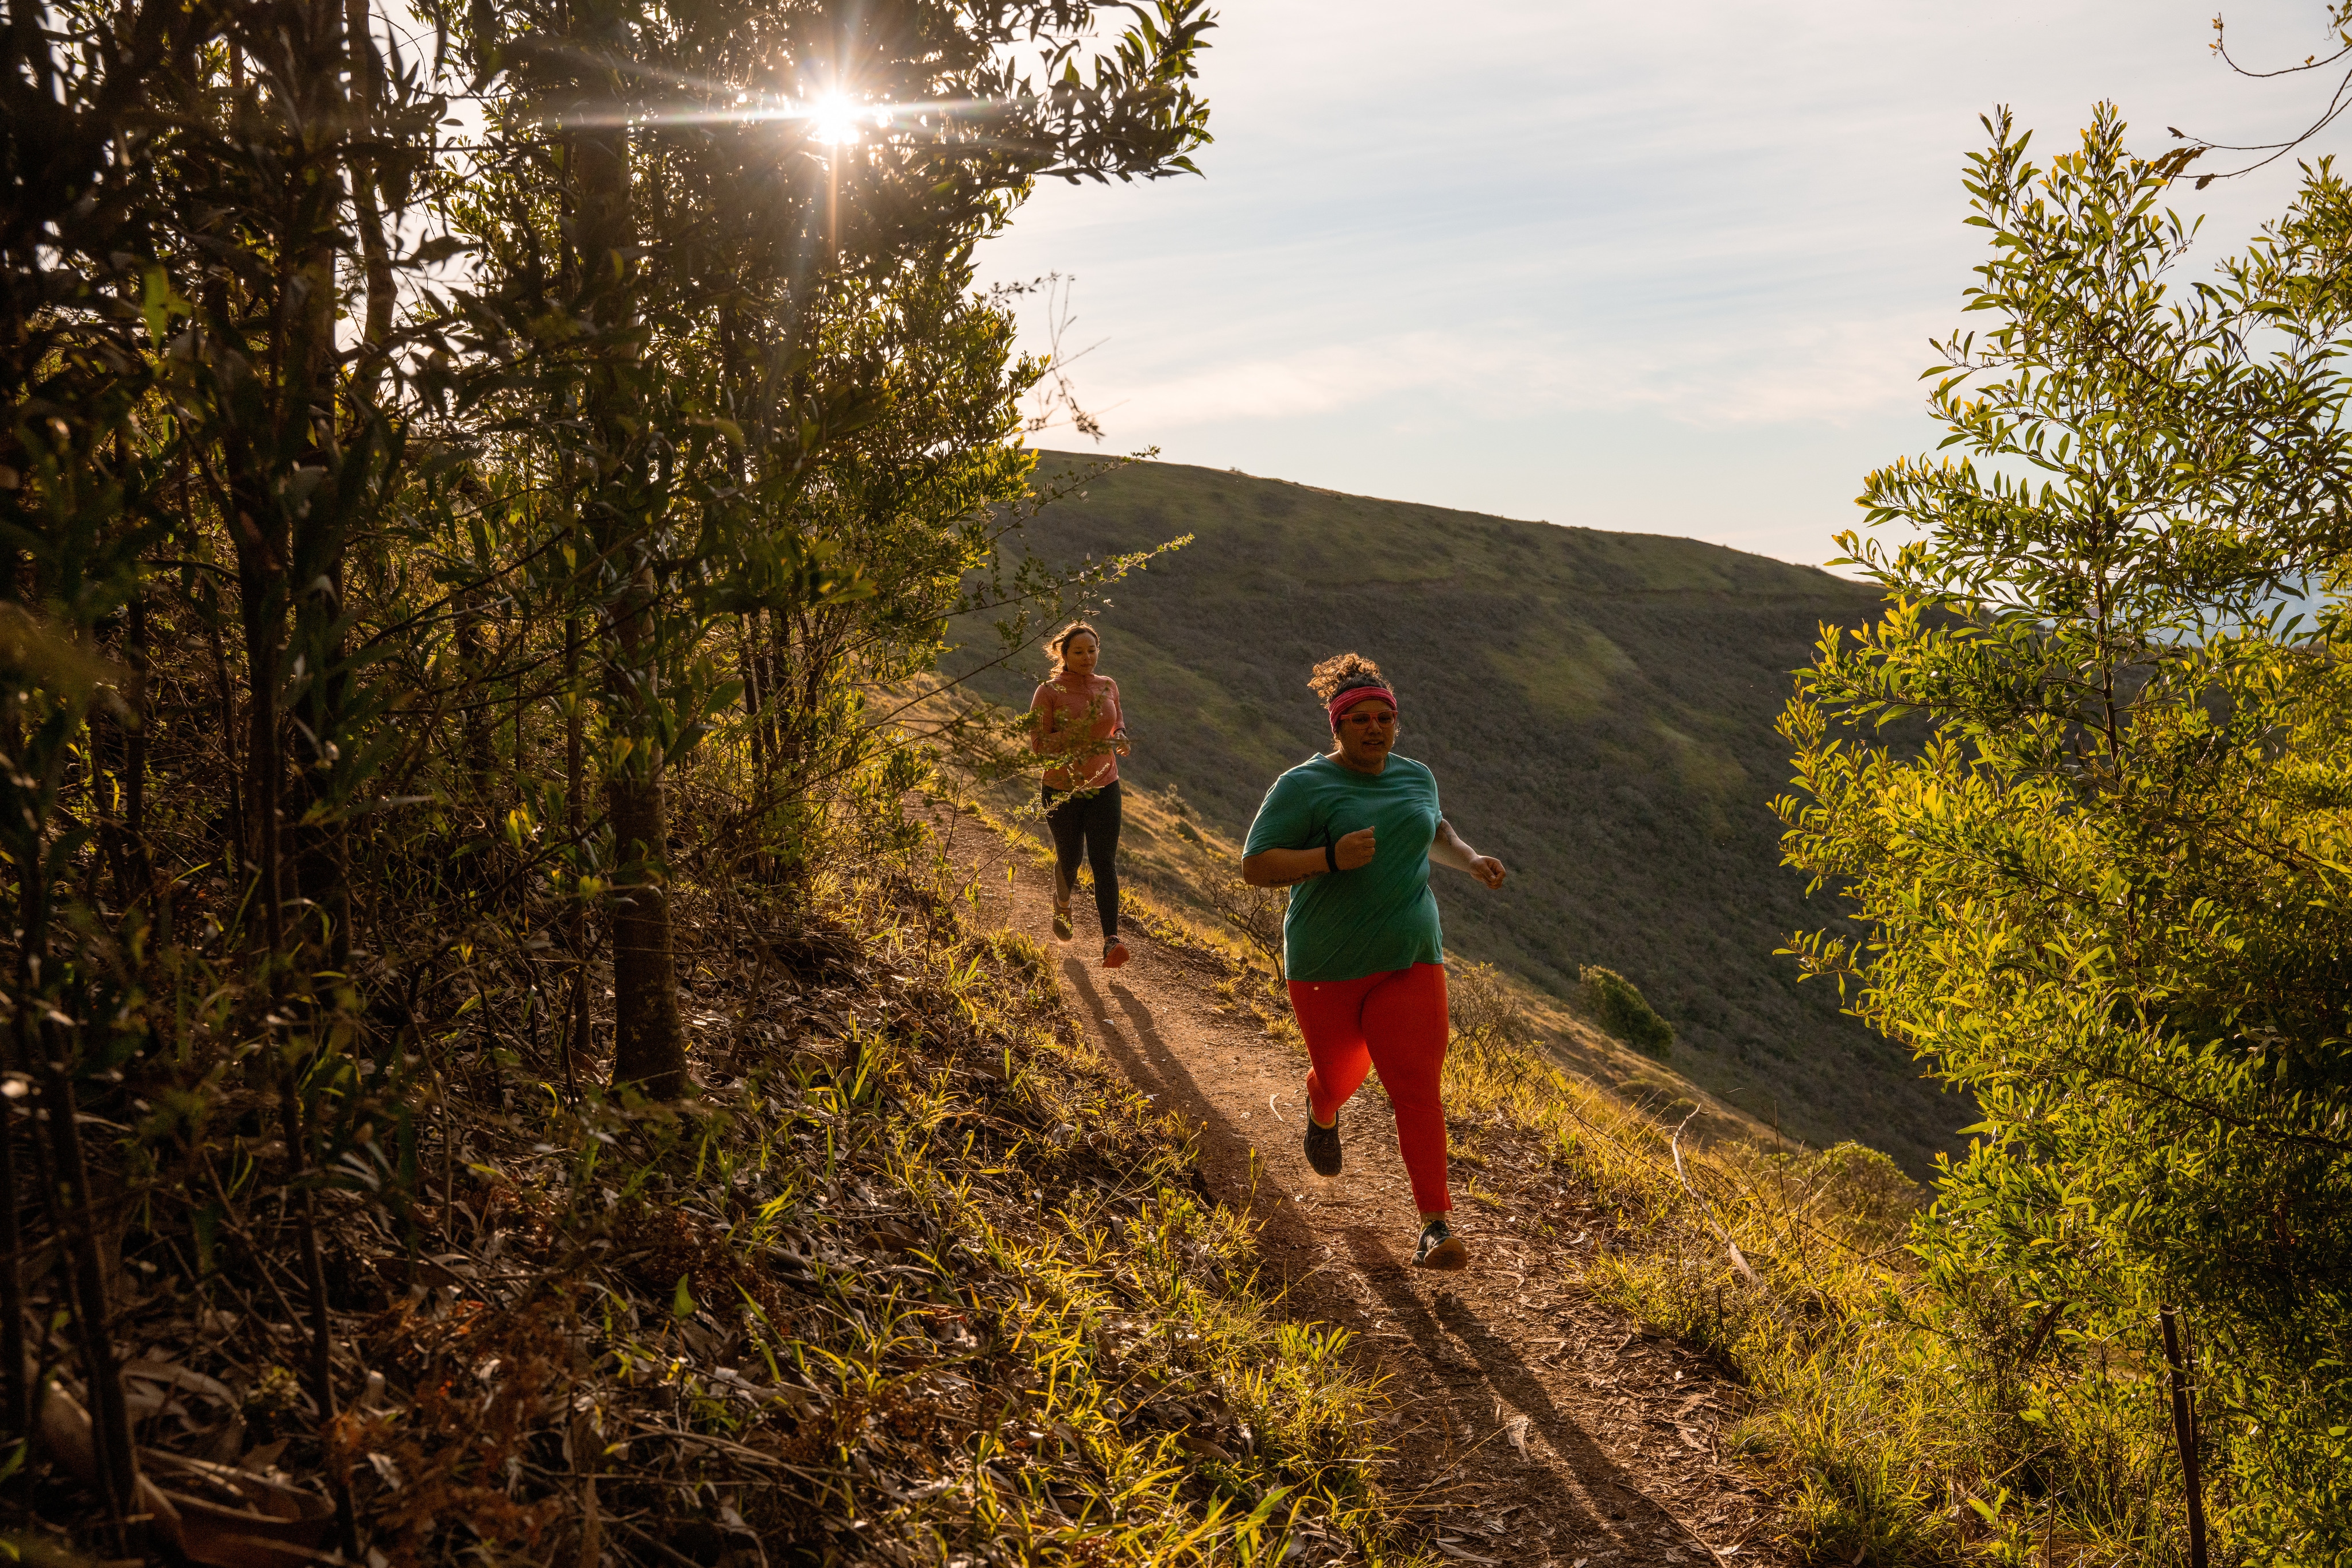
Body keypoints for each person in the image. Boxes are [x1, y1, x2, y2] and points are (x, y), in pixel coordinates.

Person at [1241, 653, 1507, 1270]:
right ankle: (1321, 1104)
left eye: (1383, 717)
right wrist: (1329, 857)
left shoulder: (1416, 775)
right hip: (1325, 963)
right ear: (1336, 726)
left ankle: (1435, 1225)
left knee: (1416, 1089)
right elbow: (1255, 866)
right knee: (1341, 1078)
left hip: (1410, 956)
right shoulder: (1302, 786)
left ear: (1396, 723)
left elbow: (1432, 828)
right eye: (1358, 718)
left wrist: (1468, 858)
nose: (1373, 728)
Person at [1030, 621, 1132, 968]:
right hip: (1062, 788)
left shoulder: (1109, 685)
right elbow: (1038, 745)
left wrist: (1120, 736)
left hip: (1106, 785)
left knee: (1104, 861)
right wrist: (1082, 743)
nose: (1087, 657)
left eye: (1092, 650)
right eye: (1078, 652)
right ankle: (1062, 904)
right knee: (1071, 859)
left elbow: (1117, 720)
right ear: (1063, 654)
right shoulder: (1048, 691)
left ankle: (1111, 940)